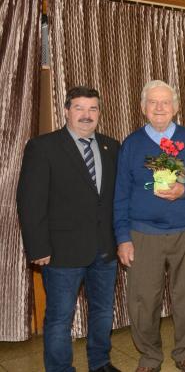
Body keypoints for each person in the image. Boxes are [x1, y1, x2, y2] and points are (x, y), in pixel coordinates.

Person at [114, 80, 185, 372]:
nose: (159, 108)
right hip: (143, 234)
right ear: (143, 108)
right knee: (142, 300)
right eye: (153, 102)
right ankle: (149, 357)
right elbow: (120, 194)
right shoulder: (132, 145)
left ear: (176, 107)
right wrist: (123, 237)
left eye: (165, 102)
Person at [17, 86, 120, 372]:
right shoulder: (43, 147)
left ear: (99, 113)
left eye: (93, 108)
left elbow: (115, 199)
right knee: (60, 318)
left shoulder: (112, 147)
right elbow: (30, 202)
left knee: (102, 312)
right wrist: (38, 248)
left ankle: (100, 363)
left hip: (105, 249)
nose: (87, 115)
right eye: (79, 108)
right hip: (61, 252)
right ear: (66, 111)